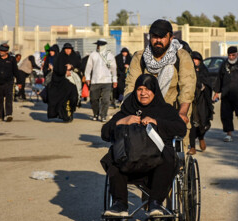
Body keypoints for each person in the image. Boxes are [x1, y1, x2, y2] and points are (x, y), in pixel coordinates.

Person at [101, 74, 187, 216]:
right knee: (114, 157)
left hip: (157, 164)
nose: (143, 93)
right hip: (130, 162)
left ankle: (155, 203)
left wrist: (156, 122)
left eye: (147, 89)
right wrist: (123, 121)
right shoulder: (127, 110)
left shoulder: (166, 110)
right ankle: (119, 204)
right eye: (140, 89)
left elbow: (181, 129)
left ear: (155, 91)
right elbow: (104, 133)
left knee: (168, 155)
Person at [124, 19, 196, 151]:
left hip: (174, 111)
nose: (158, 40)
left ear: (171, 37)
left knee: (176, 155)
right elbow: (130, 86)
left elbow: (188, 85)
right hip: (145, 111)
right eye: (154, 37)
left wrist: (183, 112)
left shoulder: (181, 56)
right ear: (150, 37)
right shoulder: (139, 58)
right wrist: (126, 111)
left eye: (162, 37)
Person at [47, 43, 82, 122]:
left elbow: (80, 67)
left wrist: (72, 67)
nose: (68, 50)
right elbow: (57, 69)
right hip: (62, 81)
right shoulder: (59, 58)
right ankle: (65, 116)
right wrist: (64, 71)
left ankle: (71, 112)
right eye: (66, 49)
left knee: (73, 98)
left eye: (69, 49)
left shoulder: (75, 57)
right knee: (63, 100)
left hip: (74, 82)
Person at [84, 38, 117, 122]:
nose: (99, 46)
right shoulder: (93, 55)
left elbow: (114, 68)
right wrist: (87, 78)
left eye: (101, 45)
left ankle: (103, 115)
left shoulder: (110, 55)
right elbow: (88, 67)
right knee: (94, 99)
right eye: (98, 45)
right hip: (95, 81)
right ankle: (96, 113)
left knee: (105, 100)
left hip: (107, 81)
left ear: (104, 45)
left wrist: (115, 79)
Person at [188, 51, 214, 155]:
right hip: (191, 101)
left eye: (196, 59)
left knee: (203, 122)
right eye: (193, 59)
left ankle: (201, 137)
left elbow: (208, 84)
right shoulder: (188, 70)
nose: (194, 61)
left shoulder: (204, 70)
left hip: (202, 101)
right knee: (192, 123)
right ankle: (193, 146)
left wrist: (202, 86)